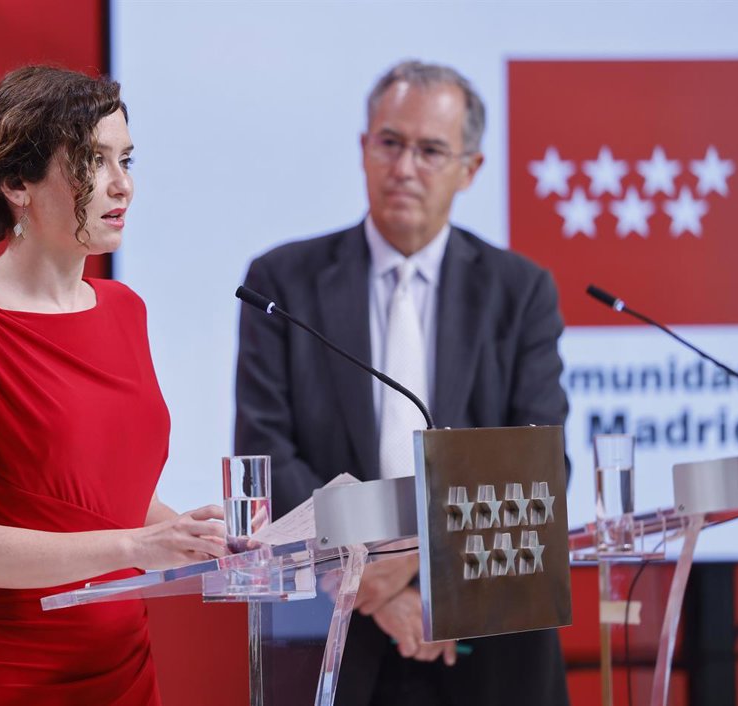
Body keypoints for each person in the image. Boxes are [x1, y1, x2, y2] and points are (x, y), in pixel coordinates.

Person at [234, 60, 571, 705]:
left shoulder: (520, 291)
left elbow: (540, 469)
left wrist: (422, 566)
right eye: (390, 143)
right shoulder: (282, 283)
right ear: (364, 148)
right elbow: (268, 454)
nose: (405, 167)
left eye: (431, 150)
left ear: (469, 168)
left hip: (490, 643)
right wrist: (369, 586)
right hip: (332, 636)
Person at [0, 66, 226, 706]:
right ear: (17, 184)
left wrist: (199, 539)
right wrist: (137, 546)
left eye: (125, 159)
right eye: (91, 161)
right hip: (0, 673)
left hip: (121, 667)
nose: (122, 184)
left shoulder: (125, 310)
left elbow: (93, 495)